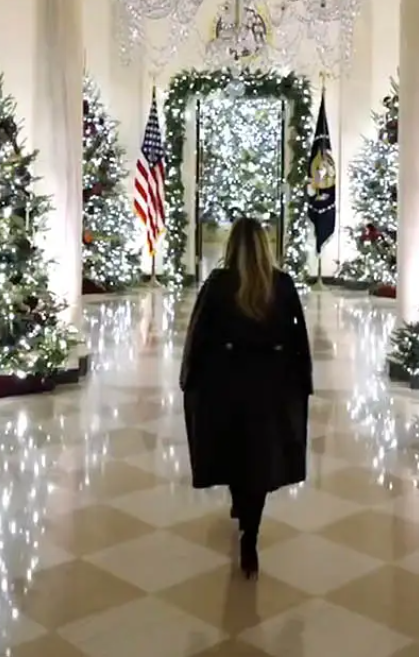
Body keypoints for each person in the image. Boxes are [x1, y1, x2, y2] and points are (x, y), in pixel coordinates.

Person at [181, 217, 312, 579]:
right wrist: (301, 383)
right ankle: (250, 533)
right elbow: (298, 339)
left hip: (228, 382)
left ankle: (240, 506)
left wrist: (192, 381)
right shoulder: (281, 284)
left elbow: (199, 337)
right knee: (261, 454)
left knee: (236, 449)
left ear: (231, 246)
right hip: (271, 383)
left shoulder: (218, 284)